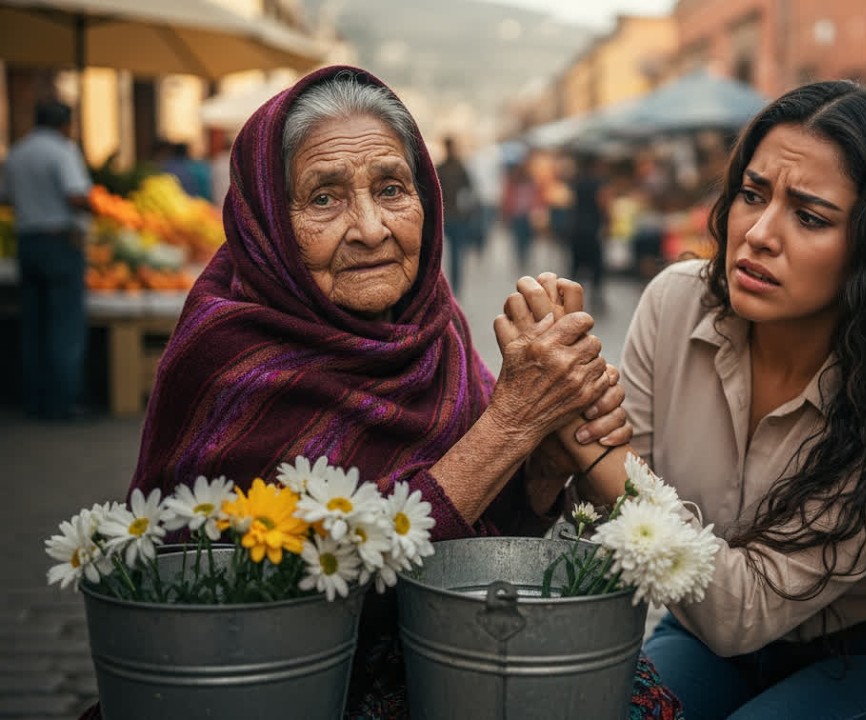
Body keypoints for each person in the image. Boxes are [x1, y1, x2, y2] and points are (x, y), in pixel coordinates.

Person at [80, 66, 681, 719]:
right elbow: (282, 605)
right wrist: (509, 425)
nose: (370, 229)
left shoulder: (434, 326)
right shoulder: (229, 355)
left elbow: (478, 547)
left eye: (392, 189)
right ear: (267, 221)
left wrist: (541, 468)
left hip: (439, 647)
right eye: (324, 198)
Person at [504, 81, 866, 719]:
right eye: (752, 194)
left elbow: (738, 610)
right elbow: (614, 514)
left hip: (860, 653)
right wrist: (553, 416)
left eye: (810, 217)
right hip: (702, 634)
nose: (759, 234)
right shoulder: (676, 303)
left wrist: (583, 436)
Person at [1, 100, 92, 421]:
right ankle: (62, 401)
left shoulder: (16, 152)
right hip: (60, 242)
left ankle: (35, 399)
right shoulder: (63, 151)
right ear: (64, 124)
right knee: (64, 324)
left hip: (27, 241)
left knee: (34, 324)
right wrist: (93, 206)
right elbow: (75, 195)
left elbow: (6, 196)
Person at [567, 152, 609, 309]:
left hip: (576, 227)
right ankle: (596, 297)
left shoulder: (576, 182)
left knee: (576, 264)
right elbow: (602, 202)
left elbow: (570, 202)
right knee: (596, 264)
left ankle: (571, 297)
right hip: (592, 228)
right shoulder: (599, 183)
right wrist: (607, 221)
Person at [435, 136, 474, 294]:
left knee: (449, 253)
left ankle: (450, 286)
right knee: (454, 253)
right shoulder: (459, 167)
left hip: (448, 215)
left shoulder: (442, 168)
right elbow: (469, 190)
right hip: (454, 215)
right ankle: (453, 286)